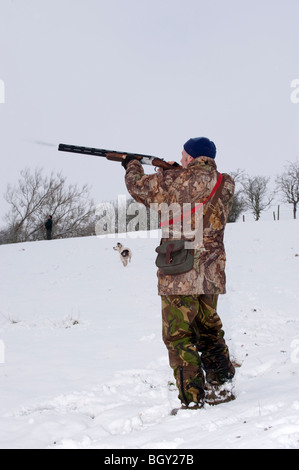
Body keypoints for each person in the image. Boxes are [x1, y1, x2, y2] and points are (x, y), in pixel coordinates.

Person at [121, 137, 235, 410]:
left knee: (178, 336)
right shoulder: (226, 182)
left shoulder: (173, 181)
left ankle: (193, 400)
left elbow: (138, 187)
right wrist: (173, 171)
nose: (180, 158)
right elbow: (193, 189)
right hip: (211, 271)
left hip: (179, 271)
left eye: (183, 155)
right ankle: (222, 385)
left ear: (190, 157)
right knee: (209, 329)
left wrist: (131, 164)